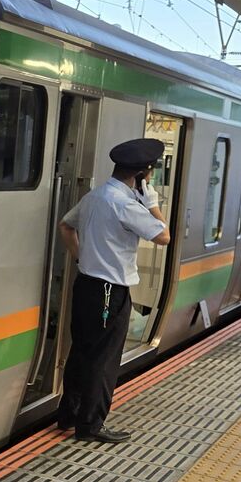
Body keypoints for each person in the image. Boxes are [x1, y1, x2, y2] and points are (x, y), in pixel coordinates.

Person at [56, 137, 171, 442]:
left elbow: (65, 226)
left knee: (81, 350)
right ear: (142, 175)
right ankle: (90, 425)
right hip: (110, 291)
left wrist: (81, 257)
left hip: (86, 284)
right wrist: (152, 204)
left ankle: (68, 414)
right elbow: (164, 237)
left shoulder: (94, 196)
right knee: (104, 358)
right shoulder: (126, 205)